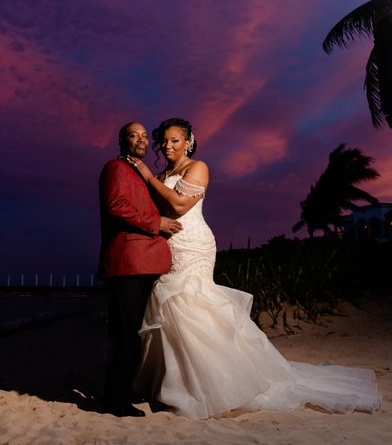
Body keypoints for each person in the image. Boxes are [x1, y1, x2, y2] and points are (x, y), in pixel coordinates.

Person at [127, 117, 382, 419]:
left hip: (194, 245)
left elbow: (181, 206)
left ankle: (212, 386)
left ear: (188, 142)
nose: (168, 146)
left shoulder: (198, 167)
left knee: (191, 305)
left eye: (175, 141)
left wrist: (146, 176)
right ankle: (178, 383)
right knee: (171, 312)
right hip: (170, 248)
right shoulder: (163, 173)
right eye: (165, 141)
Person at [98, 121, 182, 417]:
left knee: (138, 333)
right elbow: (117, 205)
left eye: (146, 136)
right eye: (134, 135)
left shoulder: (140, 172)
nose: (142, 140)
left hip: (145, 262)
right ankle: (115, 399)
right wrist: (156, 223)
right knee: (125, 333)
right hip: (128, 263)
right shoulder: (116, 168)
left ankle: (126, 389)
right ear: (122, 140)